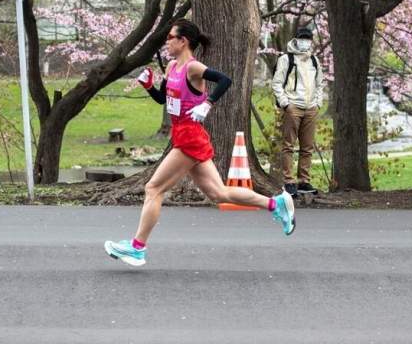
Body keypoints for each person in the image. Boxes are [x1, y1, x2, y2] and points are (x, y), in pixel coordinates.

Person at [104, 19, 295, 267]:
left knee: (153, 189)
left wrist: (207, 103)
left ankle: (137, 248)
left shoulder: (194, 68)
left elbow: (225, 80)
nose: (167, 42)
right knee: (219, 193)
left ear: (183, 41)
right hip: (185, 136)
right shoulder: (172, 67)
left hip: (189, 139)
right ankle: (275, 203)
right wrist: (150, 86)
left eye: (170, 37)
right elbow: (164, 99)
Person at [272, 26, 324, 197]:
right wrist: (286, 103)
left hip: (311, 108)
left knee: (307, 147)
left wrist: (318, 103)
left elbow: (320, 84)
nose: (305, 42)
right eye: (302, 38)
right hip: (293, 106)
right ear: (296, 39)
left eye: (307, 39)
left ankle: (304, 181)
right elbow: (277, 82)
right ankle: (289, 181)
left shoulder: (314, 61)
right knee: (288, 145)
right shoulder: (286, 59)